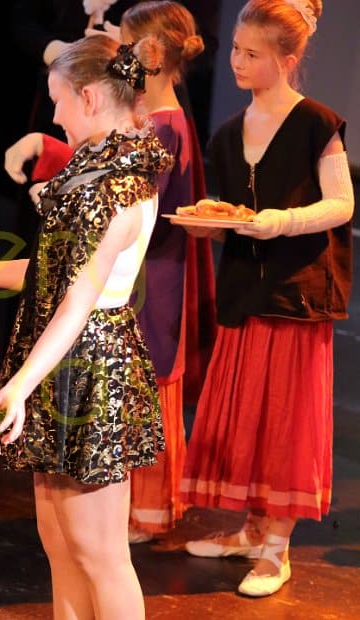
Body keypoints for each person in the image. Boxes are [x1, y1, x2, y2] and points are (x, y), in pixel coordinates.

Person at [0, 35, 173, 619]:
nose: (54, 116)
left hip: (89, 365)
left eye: (58, 100)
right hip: (62, 358)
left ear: (89, 98)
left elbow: (78, 300)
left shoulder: (113, 188)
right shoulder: (95, 170)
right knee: (61, 542)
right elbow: (51, 273)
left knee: (99, 553)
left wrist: (20, 384)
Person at [4, 0, 213, 544]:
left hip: (127, 301)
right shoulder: (139, 138)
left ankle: (144, 510)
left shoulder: (150, 143)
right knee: (66, 537)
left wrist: (20, 383)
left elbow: (85, 279)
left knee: (95, 540)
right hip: (111, 302)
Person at [179, 0, 354, 598]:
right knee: (247, 416)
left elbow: (342, 204)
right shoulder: (230, 133)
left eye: (252, 54)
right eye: (236, 49)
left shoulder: (315, 123)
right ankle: (251, 530)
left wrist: (281, 222)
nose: (237, 61)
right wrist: (204, 223)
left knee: (284, 421)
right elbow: (233, 216)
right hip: (244, 290)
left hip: (295, 293)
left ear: (286, 58)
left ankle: (276, 550)